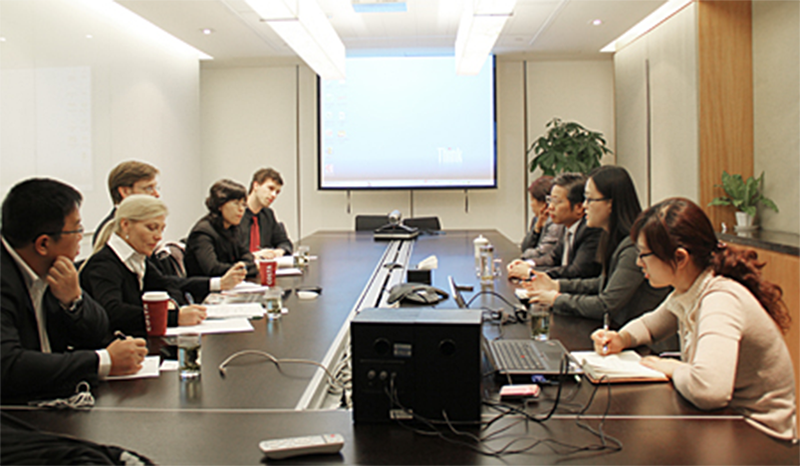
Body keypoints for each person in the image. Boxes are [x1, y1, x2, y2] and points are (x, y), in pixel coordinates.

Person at [592, 198, 797, 440]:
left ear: (680, 258)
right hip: (726, 423)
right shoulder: (688, 290)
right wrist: (621, 338)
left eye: (643, 254)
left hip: (762, 436)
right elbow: (650, 325)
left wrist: (673, 367)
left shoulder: (720, 299)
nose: (638, 263)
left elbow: (709, 390)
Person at [1, 178, 147, 403]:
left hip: (51, 398)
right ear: (43, 244)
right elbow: (8, 365)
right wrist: (103, 361)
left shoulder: (52, 269)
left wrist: (74, 300)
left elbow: (98, 332)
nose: (81, 236)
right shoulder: (6, 278)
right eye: (77, 229)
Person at [520, 166, 671, 328]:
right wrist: (556, 285)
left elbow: (605, 305)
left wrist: (556, 299)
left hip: (639, 338)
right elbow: (603, 282)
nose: (584, 205)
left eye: (590, 199)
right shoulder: (610, 237)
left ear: (610, 204)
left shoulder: (633, 247)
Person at [80, 195, 247, 338]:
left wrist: (218, 284)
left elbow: (167, 282)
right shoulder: (103, 265)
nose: (158, 237)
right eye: (151, 228)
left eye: (161, 229)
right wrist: (173, 317)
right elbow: (113, 312)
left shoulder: (138, 257)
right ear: (125, 225)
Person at [508, 172, 602, 279]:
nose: (550, 207)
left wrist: (531, 273)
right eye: (550, 200)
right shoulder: (566, 227)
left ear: (579, 207)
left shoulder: (591, 230)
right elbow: (552, 258)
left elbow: (576, 271)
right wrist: (529, 264)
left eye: (556, 201)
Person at [185, 179, 258, 279]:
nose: (241, 209)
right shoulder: (202, 232)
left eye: (243, 205)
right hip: (207, 287)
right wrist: (246, 268)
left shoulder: (232, 228)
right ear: (220, 205)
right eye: (236, 203)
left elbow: (247, 257)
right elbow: (213, 269)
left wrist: (245, 267)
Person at [93, 161, 160, 246]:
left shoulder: (145, 223)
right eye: (149, 188)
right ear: (125, 192)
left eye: (156, 188)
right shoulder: (109, 232)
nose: (157, 195)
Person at [238, 168, 293, 259]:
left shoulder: (268, 215)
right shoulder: (237, 213)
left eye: (277, 192)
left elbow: (284, 242)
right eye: (270, 188)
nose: (274, 195)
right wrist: (255, 255)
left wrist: (278, 251)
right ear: (256, 185)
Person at [520, 176, 563, 266]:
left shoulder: (555, 224)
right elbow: (525, 247)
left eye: (532, 201)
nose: (531, 205)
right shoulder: (538, 220)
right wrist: (537, 227)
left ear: (544, 204)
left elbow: (540, 253)